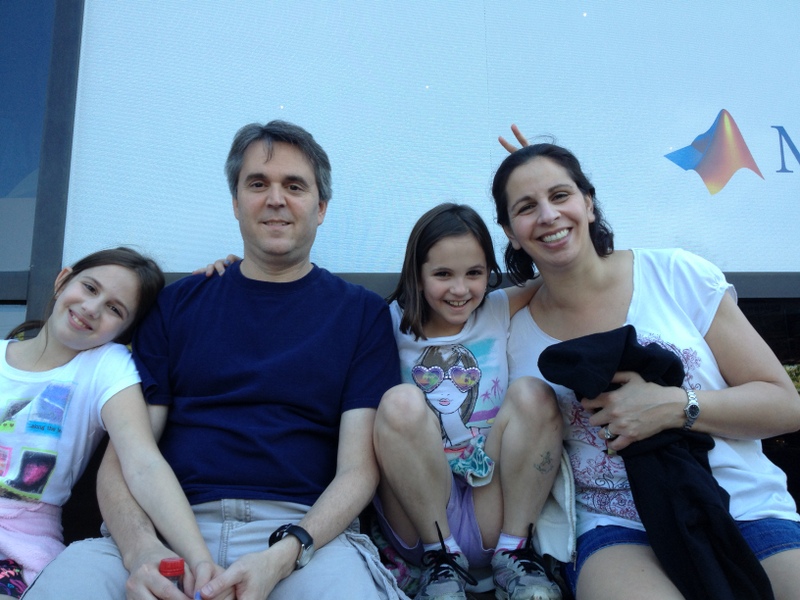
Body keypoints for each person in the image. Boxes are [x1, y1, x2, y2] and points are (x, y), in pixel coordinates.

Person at [23, 121, 403, 600]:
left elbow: (357, 470)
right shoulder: (178, 306)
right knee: (70, 584)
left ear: (321, 207)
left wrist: (284, 554)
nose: (276, 199)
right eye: (258, 184)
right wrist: (141, 552)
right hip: (167, 525)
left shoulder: (361, 313)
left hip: (301, 537)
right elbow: (125, 460)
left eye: (294, 186)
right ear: (236, 203)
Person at [493, 126, 800, 600]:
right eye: (526, 207)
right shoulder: (510, 329)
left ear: (589, 203)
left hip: (742, 506)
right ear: (510, 233)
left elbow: (785, 406)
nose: (549, 214)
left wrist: (677, 406)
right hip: (615, 525)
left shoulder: (675, 274)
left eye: (561, 195)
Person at [372, 203, 568, 600]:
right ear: (417, 274)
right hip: (419, 519)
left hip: (489, 510)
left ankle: (515, 553)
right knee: (400, 402)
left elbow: (562, 272)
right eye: (443, 274)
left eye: (474, 273)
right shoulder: (388, 321)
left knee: (534, 393)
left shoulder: (496, 309)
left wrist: (540, 221)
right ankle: (440, 560)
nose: (460, 290)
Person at [1, 248, 217, 598]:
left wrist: (199, 559)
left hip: (19, 545)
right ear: (62, 280)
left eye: (115, 309)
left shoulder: (106, 367)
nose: (92, 308)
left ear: (126, 331)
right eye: (89, 287)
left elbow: (143, 462)